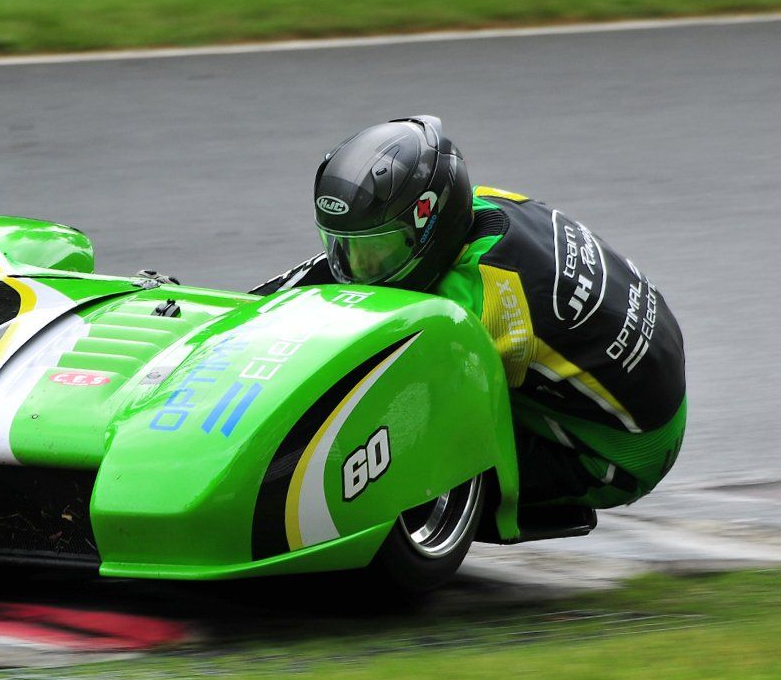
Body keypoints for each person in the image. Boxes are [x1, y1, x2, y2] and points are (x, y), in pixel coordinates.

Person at [261, 115, 685, 527]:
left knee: (389, 450)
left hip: (623, 453)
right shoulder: (475, 201)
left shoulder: (482, 305)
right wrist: (251, 308)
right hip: (650, 372)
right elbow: (326, 274)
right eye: (344, 247)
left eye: (380, 251)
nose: (357, 268)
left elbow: (368, 378)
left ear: (429, 226)